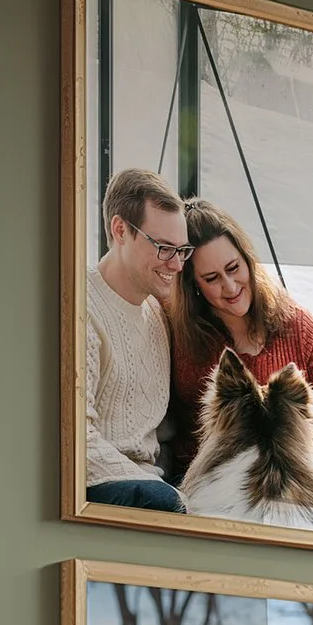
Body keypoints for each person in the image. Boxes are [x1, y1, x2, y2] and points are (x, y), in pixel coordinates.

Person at [167, 200, 313, 476]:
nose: (230, 286)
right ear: (195, 287)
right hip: (206, 483)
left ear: (248, 260)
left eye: (234, 267)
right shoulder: (180, 333)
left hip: (289, 482)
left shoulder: (295, 324)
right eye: (212, 278)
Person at [85, 168, 187, 514]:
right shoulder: (79, 306)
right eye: (162, 248)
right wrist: (168, 495)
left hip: (155, 485)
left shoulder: (158, 313)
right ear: (120, 230)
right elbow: (75, 440)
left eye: (181, 250)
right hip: (99, 485)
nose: (175, 264)